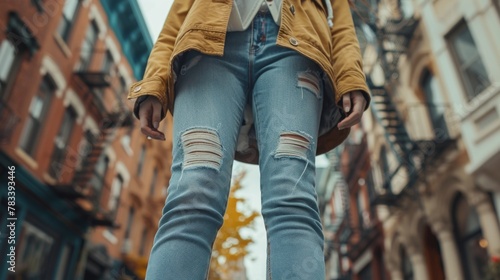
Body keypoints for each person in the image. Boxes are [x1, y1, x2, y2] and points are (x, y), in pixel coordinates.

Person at [128, 0, 370, 279]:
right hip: (207, 46)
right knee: (192, 191)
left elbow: (340, 19)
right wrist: (155, 80)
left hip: (297, 48)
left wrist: (351, 76)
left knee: (293, 195)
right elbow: (178, 14)